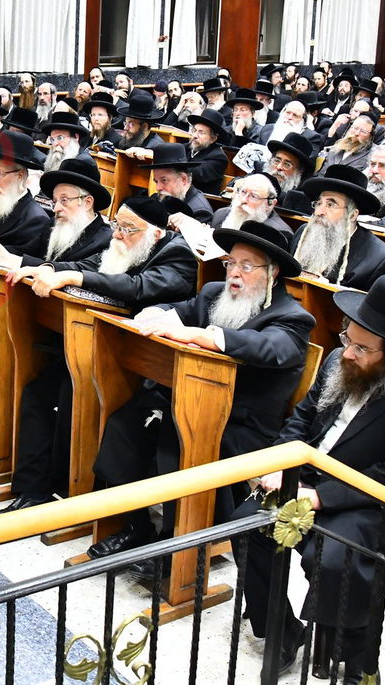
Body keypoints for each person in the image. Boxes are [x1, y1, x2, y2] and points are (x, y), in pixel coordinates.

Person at [235, 275, 385, 683]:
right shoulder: (337, 360)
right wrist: (280, 464)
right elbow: (303, 418)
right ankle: (282, 632)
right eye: (348, 338)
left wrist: (320, 498)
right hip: (305, 473)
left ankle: (344, 654)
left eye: (363, 348)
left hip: (364, 498)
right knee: (245, 526)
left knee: (330, 557)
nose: (349, 353)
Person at [87, 222, 314, 556]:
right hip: (187, 402)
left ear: (273, 272)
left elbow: (268, 347)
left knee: (176, 438)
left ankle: (177, 548)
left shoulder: (292, 317)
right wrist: (154, 315)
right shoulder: (214, 294)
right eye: (231, 263)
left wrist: (201, 335)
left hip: (239, 424)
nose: (235, 273)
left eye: (246, 266)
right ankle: (135, 526)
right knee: (126, 422)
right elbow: (175, 311)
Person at [0, 196, 199, 508]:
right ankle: (32, 490)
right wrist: (42, 268)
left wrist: (73, 277)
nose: (118, 235)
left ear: (155, 234)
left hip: (144, 368)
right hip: (104, 348)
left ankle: (68, 494)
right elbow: (88, 265)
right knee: (39, 390)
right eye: (117, 226)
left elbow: (138, 286)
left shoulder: (178, 255)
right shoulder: (126, 244)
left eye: (129, 229)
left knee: (69, 393)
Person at [0, 158, 114, 434]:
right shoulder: (55, 227)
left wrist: (12, 260)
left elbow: (78, 271)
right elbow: (36, 259)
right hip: (32, 313)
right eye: (55, 201)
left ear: (87, 202)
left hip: (70, 329)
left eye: (64, 200)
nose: (57, 208)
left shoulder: (105, 239)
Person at [292, 165, 385, 288]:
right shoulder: (304, 233)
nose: (319, 212)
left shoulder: (381, 259)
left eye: (330, 205)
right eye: (319, 203)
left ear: (352, 215)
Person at [185, 108, 231, 195]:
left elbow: (197, 173)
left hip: (198, 203)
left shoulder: (218, 158)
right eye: (194, 130)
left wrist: (174, 165)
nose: (195, 135)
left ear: (213, 138)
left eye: (201, 132)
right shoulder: (185, 147)